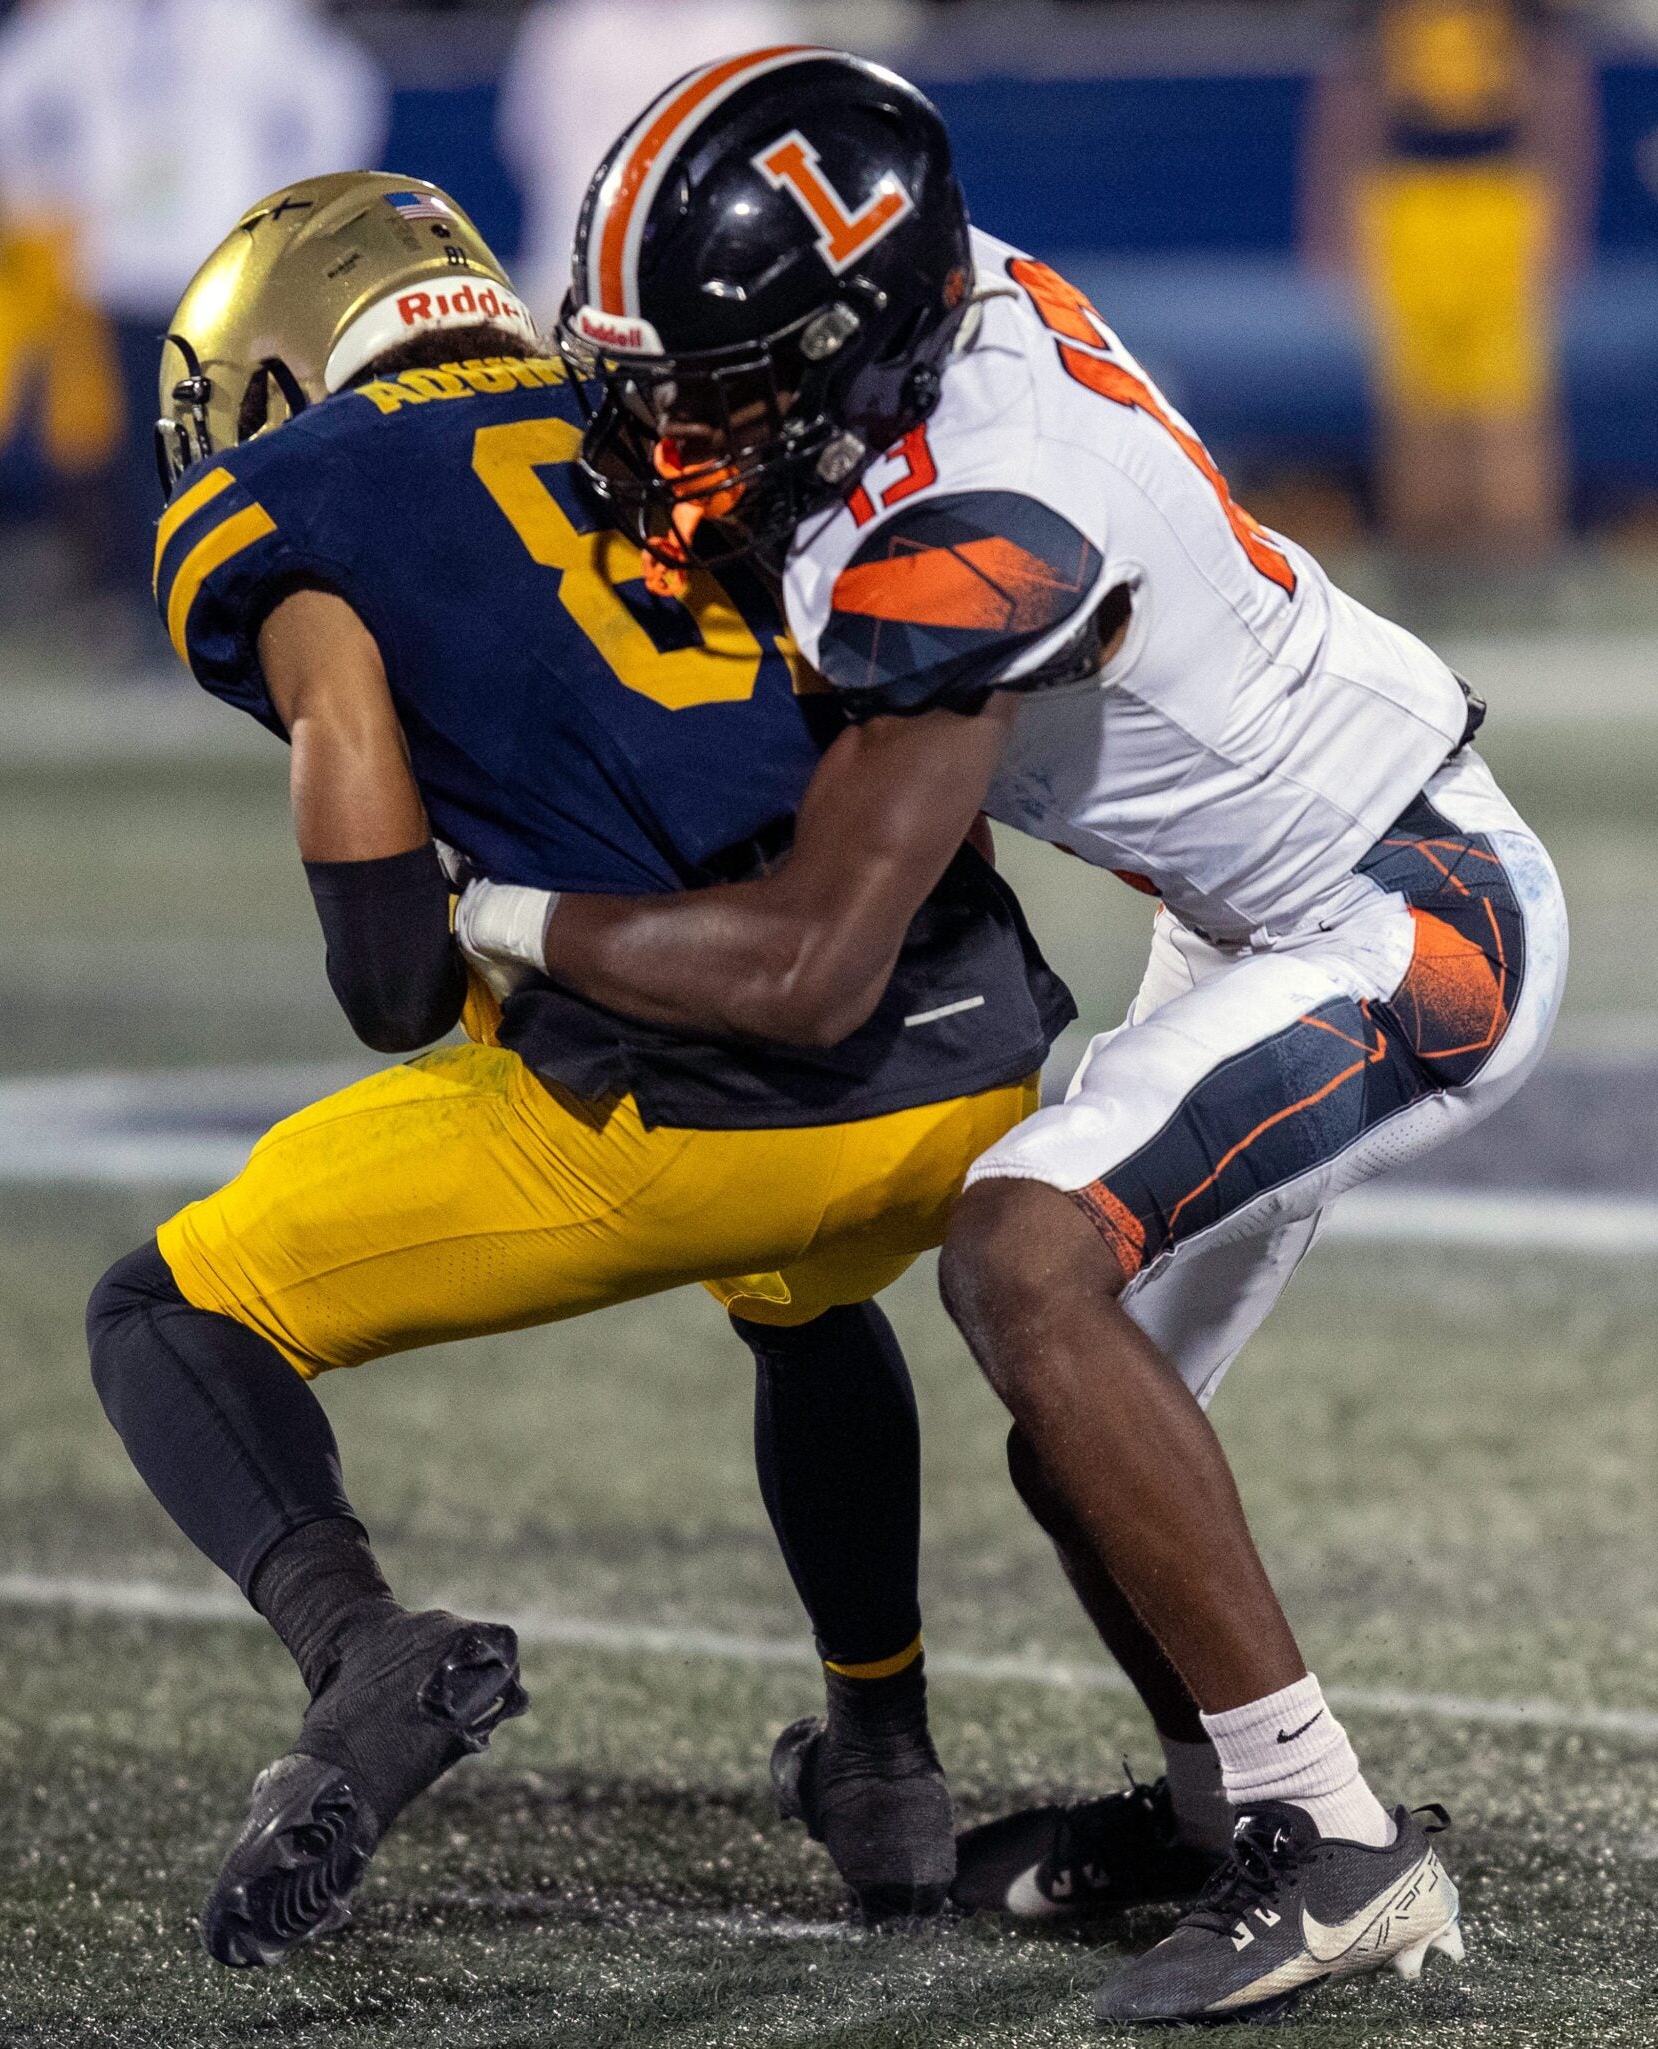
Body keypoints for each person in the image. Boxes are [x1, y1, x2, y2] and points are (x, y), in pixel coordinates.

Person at [455, 48, 1567, 2024]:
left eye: (712, 383)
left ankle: (1332, 1841)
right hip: (1258, 901)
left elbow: (813, 960)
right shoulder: (910, 338)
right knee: (1088, 1417)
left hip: (1409, 916)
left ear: (847, 349)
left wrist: (508, 917)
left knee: (1018, 1256)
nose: (667, 423)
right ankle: (1229, 1799)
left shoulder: (983, 512)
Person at [90, 171, 1074, 1964]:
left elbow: (391, 979)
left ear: (272, 372)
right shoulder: (678, 387)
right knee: (801, 1301)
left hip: (697, 1103)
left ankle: (359, 1646)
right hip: (978, 1048)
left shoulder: (279, 496)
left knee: (164, 1310)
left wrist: (475, 916)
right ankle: (884, 1760)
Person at [0, 0, 384, 660]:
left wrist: (290, 205)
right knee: (137, 459)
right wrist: (35, 195)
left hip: (220, 271)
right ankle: (155, 618)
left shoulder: (252, 17)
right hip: (120, 267)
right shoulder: (87, 20)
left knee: (236, 449)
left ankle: (241, 613)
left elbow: (343, 93)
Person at [1299, 0, 1595, 568]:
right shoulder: (1378, 22)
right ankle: (1430, 552)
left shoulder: (1527, 22)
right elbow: (1346, 114)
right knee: (1418, 400)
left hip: (1501, 204)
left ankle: (1517, 549)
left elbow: (1560, 104)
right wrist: (1332, 231)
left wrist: (1563, 226)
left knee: (1508, 399)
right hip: (1406, 206)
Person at [497, 0, 800, 319]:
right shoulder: (572, 25)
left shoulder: (750, 25)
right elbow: (525, 143)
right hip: (567, 275)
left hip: (716, 289)